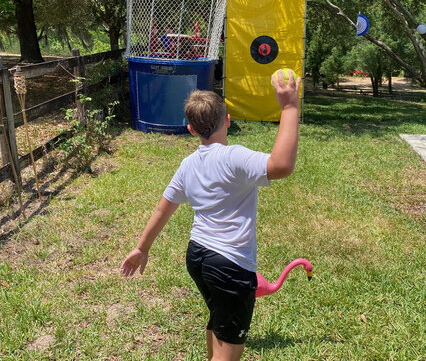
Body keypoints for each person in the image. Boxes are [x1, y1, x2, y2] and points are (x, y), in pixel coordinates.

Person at [121, 70, 300, 361]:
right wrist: (290, 106)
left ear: (191, 129)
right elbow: (281, 165)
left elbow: (162, 208)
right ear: (227, 121)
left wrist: (142, 248)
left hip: (198, 257)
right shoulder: (234, 157)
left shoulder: (188, 164)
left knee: (218, 320)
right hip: (229, 265)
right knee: (229, 345)